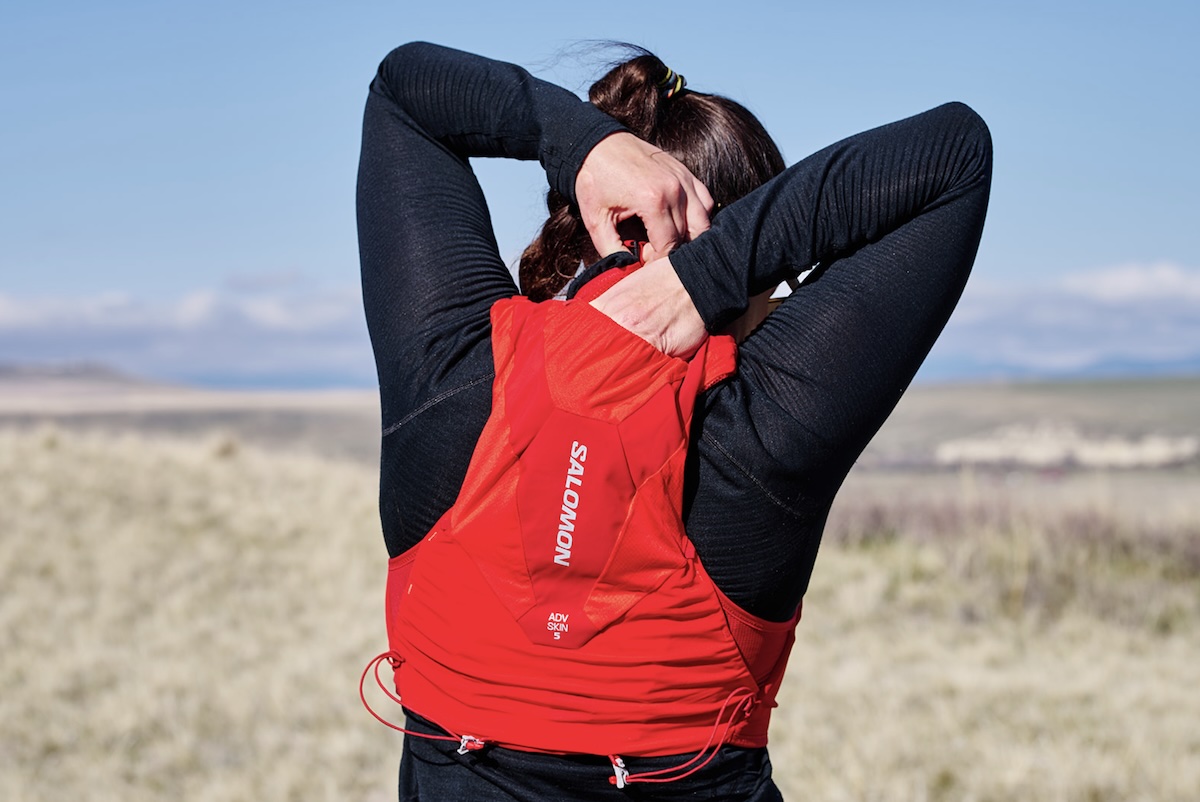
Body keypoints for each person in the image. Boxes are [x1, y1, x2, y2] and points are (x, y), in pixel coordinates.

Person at [357, 41, 992, 801]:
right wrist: (710, 276)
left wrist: (586, 146)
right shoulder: (761, 437)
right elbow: (955, 154)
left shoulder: (454, 376)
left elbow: (405, 91)